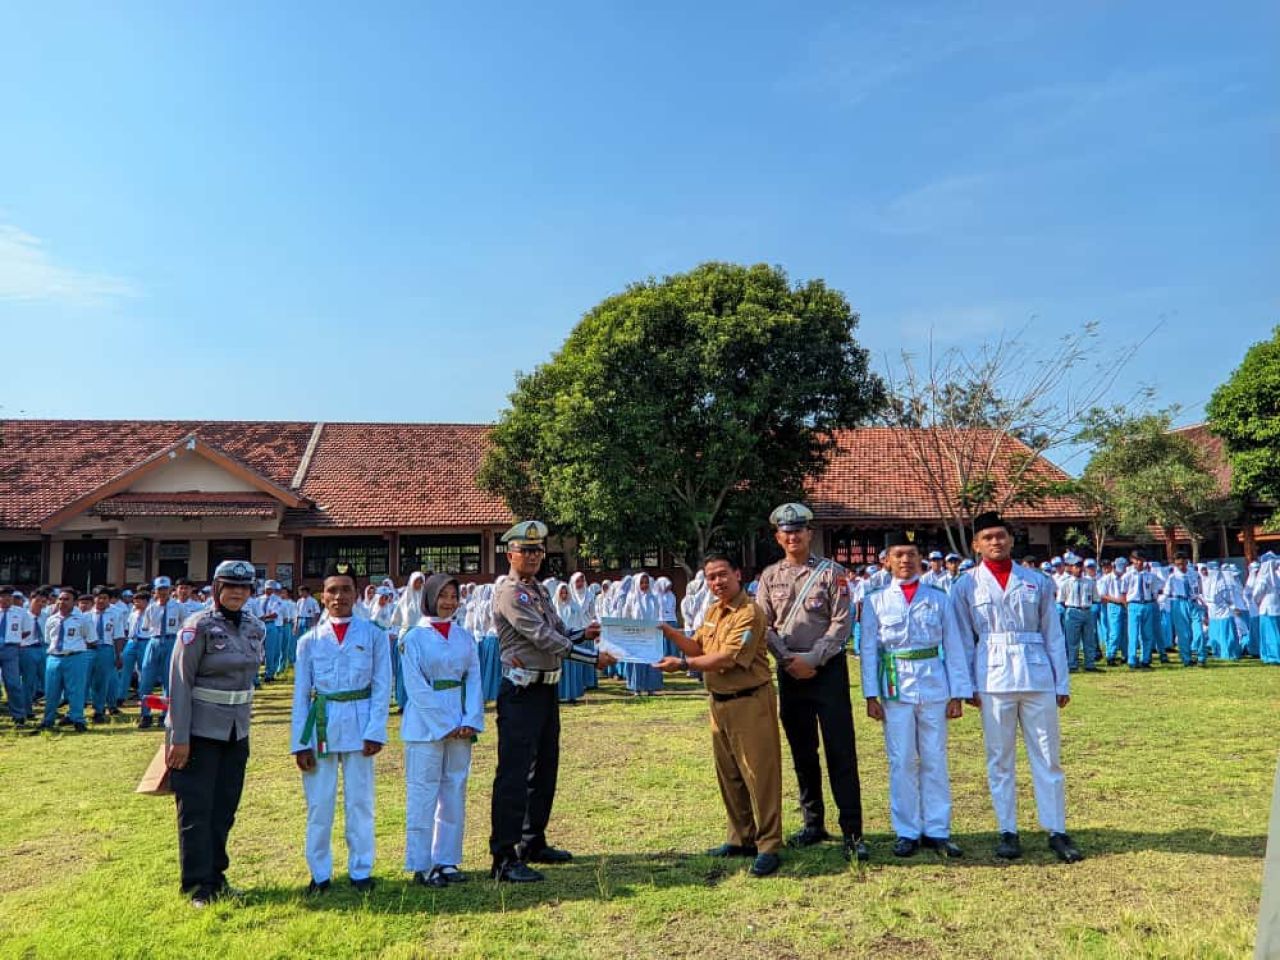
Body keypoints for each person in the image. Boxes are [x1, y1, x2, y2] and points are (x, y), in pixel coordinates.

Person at [950, 511, 1082, 863]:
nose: (996, 542)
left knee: (1048, 756)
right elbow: (962, 639)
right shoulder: (965, 585)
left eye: (1001, 536)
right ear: (976, 545)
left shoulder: (1035, 580)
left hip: (1037, 674)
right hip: (991, 676)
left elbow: (1053, 633)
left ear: (1011, 539)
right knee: (999, 759)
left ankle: (1057, 829)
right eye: (988, 537)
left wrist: (1061, 680)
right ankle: (1007, 829)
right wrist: (966, 687)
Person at [488, 521, 614, 883]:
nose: (533, 556)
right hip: (521, 691)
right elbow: (542, 637)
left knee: (543, 768)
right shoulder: (510, 592)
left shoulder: (539, 590)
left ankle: (532, 840)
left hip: (546, 689)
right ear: (509, 553)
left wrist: (584, 634)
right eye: (525, 550)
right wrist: (591, 658)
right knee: (514, 773)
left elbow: (558, 631)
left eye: (538, 551)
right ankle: (504, 856)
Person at [656, 553, 784, 878]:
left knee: (760, 775)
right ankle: (742, 837)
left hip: (750, 702)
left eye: (722, 575)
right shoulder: (713, 610)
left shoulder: (749, 613)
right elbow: (698, 647)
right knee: (730, 775)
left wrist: (682, 666)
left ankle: (768, 844)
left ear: (737, 574)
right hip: (720, 702)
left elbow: (727, 657)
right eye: (710, 577)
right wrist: (667, 633)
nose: (716, 582)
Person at [755, 502, 867, 862]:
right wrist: (787, 659)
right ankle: (812, 823)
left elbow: (841, 623)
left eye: (798, 530)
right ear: (778, 537)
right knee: (803, 752)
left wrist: (813, 658)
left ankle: (853, 831)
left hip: (827, 670)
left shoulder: (832, 574)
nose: (793, 536)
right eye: (786, 532)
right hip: (790, 671)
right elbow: (764, 624)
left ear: (809, 534)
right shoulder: (770, 577)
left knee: (840, 752)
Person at [860, 531, 973, 858]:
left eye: (911, 554)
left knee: (935, 759)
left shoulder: (939, 598)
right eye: (898, 555)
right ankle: (906, 830)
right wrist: (870, 695)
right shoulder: (875, 600)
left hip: (934, 685)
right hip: (894, 688)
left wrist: (957, 693)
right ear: (887, 561)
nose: (905, 561)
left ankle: (938, 829)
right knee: (902, 760)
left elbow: (953, 646)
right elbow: (868, 649)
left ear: (920, 559)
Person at [165, 559, 264, 908]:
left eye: (244, 587)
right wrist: (179, 737)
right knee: (196, 808)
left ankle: (217, 876)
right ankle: (197, 885)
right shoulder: (197, 627)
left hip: (236, 732)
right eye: (230, 586)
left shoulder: (254, 627)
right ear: (216, 589)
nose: (238, 593)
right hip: (200, 732)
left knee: (224, 808)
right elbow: (180, 683)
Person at [291, 561, 393, 894]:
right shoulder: (309, 640)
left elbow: (382, 686)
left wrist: (376, 730)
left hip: (361, 724)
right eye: (332, 590)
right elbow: (300, 695)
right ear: (322, 596)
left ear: (358, 594)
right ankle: (319, 874)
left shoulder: (374, 636)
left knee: (360, 803)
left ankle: (361, 870)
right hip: (320, 726)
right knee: (319, 805)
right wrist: (299, 743)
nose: (339, 596)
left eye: (346, 589)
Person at [399, 573, 484, 887]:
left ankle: (446, 859)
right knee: (423, 792)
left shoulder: (464, 636)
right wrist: (444, 724)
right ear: (429, 598)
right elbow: (416, 688)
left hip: (460, 722)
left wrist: (470, 718)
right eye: (442, 595)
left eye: (453, 595)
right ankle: (421, 864)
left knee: (454, 791)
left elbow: (474, 678)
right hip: (425, 724)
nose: (448, 602)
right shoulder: (413, 638)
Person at [31, 587, 93, 733]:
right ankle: (48, 720)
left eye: (66, 599)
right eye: (60, 599)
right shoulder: (51, 619)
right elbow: (48, 639)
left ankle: (77, 719)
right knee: (51, 691)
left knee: (75, 691)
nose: (62, 602)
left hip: (75, 657)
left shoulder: (83, 619)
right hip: (54, 658)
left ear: (74, 602)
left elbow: (89, 638)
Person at [139, 577, 185, 729]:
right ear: (155, 591)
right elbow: (146, 627)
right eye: (160, 589)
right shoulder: (151, 608)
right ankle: (145, 714)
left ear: (170, 589)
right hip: (154, 641)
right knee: (146, 678)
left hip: (172, 641)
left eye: (165, 589)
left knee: (169, 679)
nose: (163, 592)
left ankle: (165, 714)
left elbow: (184, 625)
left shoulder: (178, 607)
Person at [85, 586, 126, 722]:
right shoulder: (86, 615)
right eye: (99, 597)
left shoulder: (115, 614)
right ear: (94, 598)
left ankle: (99, 710)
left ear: (109, 600)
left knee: (102, 681)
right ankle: (85, 706)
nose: (101, 600)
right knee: (87, 680)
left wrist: (118, 655)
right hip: (88, 650)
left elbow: (118, 635)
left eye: (105, 598)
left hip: (106, 648)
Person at [1057, 554, 1101, 672]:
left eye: (1080, 566)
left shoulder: (1090, 582)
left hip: (1087, 611)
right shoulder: (1065, 583)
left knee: (1089, 640)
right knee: (1072, 641)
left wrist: (1093, 609)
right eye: (1076, 567)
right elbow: (1061, 600)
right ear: (1071, 568)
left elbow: (1096, 598)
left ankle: (1090, 664)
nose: (1079, 569)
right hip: (1072, 611)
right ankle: (1072, 664)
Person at [1161, 553, 1205, 667]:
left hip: (1193, 602)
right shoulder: (1172, 577)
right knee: (1183, 634)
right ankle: (1187, 659)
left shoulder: (1195, 574)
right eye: (1178, 564)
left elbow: (1200, 590)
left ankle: (1201, 657)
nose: (1181, 567)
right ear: (1175, 564)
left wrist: (1204, 603)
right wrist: (1159, 604)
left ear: (1187, 562)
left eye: (1183, 563)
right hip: (1179, 603)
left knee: (1199, 631)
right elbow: (1166, 593)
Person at [0, 586, 35, 726]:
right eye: (2, 596)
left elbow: (26, 631)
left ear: (12, 598)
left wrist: (12, 639)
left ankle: (18, 715)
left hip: (11, 649)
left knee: (13, 683)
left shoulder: (21, 612)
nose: (4, 599)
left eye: (8, 596)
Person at [1121, 551, 1161, 671]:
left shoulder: (1151, 576)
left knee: (1147, 634)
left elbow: (1155, 593)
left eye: (1141, 560)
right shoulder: (1127, 576)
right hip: (1133, 604)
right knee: (1132, 633)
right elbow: (1123, 593)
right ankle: (1132, 659)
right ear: (1132, 560)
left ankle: (1146, 659)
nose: (1139, 562)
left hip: (1147, 604)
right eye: (1136, 559)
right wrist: (1126, 605)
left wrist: (1152, 603)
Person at [1097, 557, 1129, 665]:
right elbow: (1103, 595)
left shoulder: (1126, 577)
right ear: (1114, 567)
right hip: (1114, 606)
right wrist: (1118, 600)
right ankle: (1111, 656)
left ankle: (1126, 655)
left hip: (1125, 606)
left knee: (1125, 633)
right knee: (1114, 633)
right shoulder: (1106, 579)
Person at [1251, 552, 1280, 665]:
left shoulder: (1264, 578)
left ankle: (1273, 656)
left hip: (1266, 609)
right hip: (1276, 608)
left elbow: (1257, 594)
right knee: (1275, 632)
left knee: (1269, 634)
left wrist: (1257, 602)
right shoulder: (1276, 578)